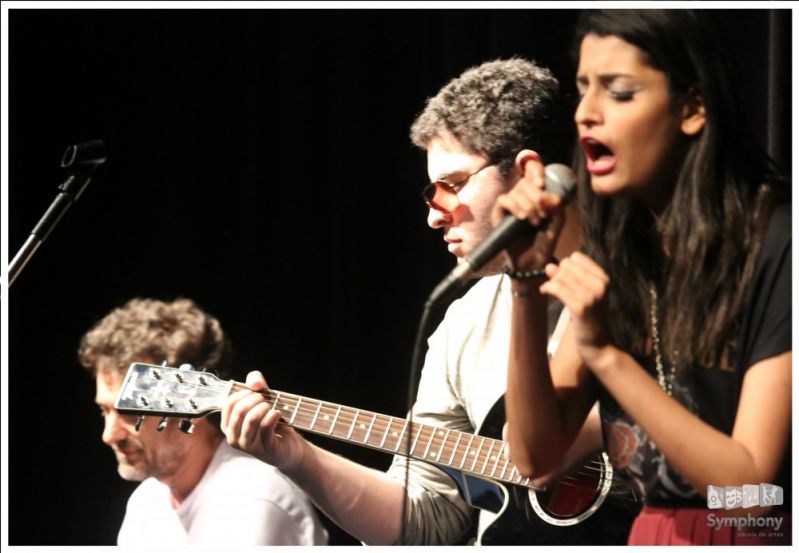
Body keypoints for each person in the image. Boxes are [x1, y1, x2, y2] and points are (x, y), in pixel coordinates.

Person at [221, 58, 636, 545]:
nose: (435, 217)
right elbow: (423, 522)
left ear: (528, 175)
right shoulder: (465, 320)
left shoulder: (653, 284)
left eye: (454, 185)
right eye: (430, 193)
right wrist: (297, 458)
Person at [497, 10, 790, 545]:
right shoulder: (622, 251)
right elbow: (533, 453)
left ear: (692, 108)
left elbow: (752, 496)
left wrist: (609, 358)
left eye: (620, 92)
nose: (586, 113)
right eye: (584, 89)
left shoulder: (777, 245)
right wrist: (525, 283)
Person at [78, 297, 328, 546]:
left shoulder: (254, 503)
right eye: (104, 411)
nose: (109, 435)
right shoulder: (146, 501)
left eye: (132, 412)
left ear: (187, 405)